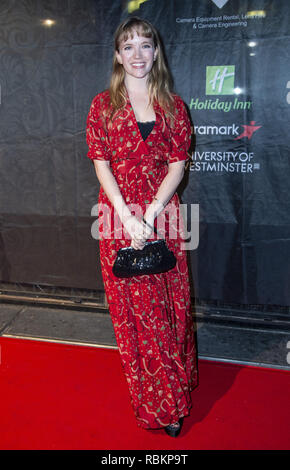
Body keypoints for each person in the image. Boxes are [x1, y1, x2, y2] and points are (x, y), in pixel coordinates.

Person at [86, 16, 198, 437]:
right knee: (137, 315)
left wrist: (149, 214)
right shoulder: (102, 106)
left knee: (169, 309)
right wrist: (128, 217)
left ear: (156, 52)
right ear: (117, 55)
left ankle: (174, 391)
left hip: (163, 216)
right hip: (117, 219)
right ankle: (156, 403)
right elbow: (101, 164)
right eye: (128, 46)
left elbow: (177, 166)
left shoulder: (174, 106)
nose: (137, 54)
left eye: (145, 45)